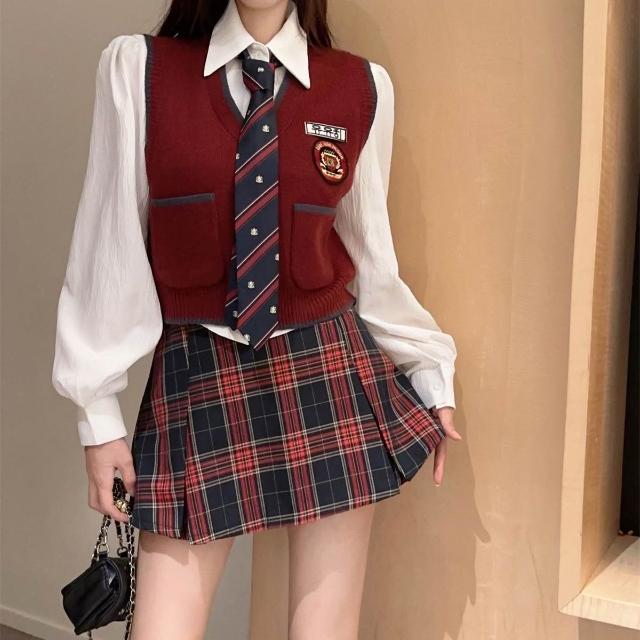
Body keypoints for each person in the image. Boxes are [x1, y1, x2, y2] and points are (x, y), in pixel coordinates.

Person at [51, 0, 462, 638]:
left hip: (326, 371)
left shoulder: (360, 88)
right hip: (197, 373)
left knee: (324, 631)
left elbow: (373, 260)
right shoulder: (142, 71)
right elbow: (108, 246)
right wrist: (97, 417)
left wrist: (429, 372)